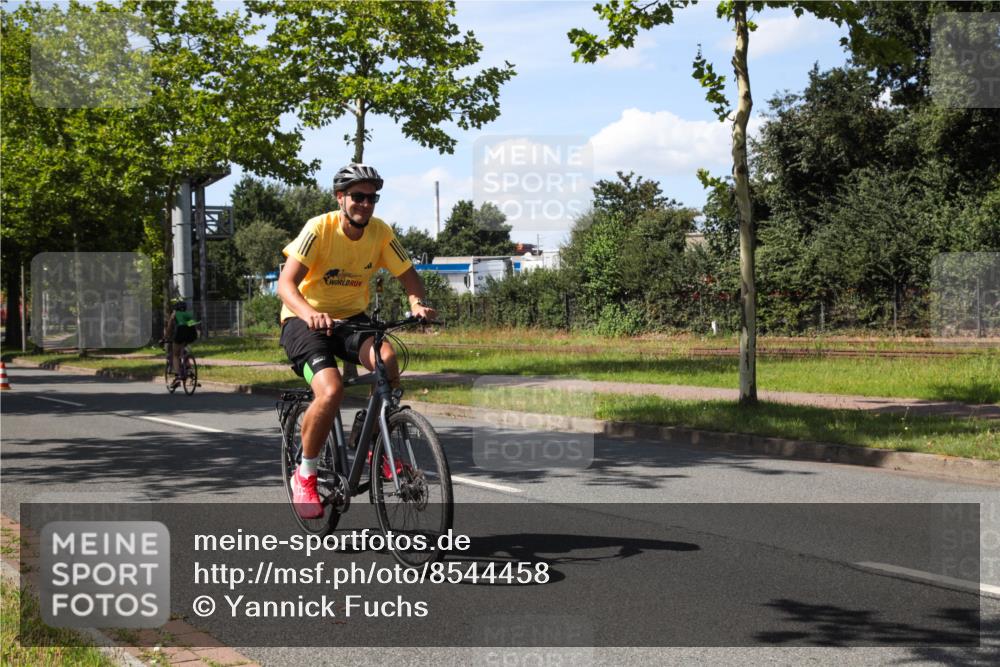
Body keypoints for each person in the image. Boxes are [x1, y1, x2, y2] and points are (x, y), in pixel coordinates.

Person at [276, 163, 437, 519]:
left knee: (389, 360)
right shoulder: (319, 229)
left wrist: (416, 302)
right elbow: (285, 285)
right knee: (331, 390)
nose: (365, 204)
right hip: (305, 322)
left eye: (372, 197)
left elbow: (409, 275)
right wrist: (308, 314)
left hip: (351, 321)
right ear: (341, 198)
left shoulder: (380, 233)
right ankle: (305, 474)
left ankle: (371, 442)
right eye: (358, 196)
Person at [165, 300, 199, 383]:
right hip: (191, 332)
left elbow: (169, 327)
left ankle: (178, 374)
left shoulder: (175, 314)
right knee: (184, 350)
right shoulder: (188, 314)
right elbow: (192, 325)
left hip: (181, 331)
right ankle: (189, 368)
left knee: (175, 355)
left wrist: (165, 336)